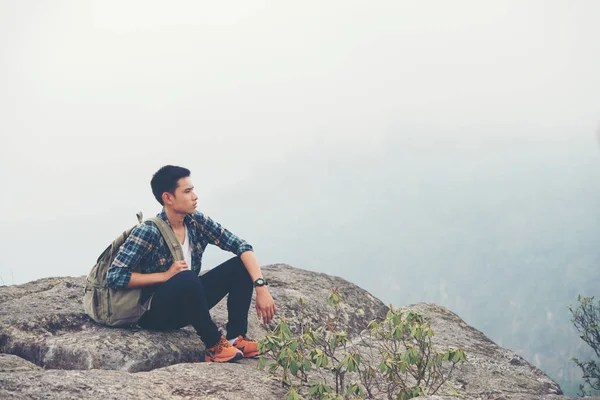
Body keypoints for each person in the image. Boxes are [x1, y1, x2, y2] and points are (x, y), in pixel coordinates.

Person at [107, 165, 276, 362]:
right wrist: (165, 276)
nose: (195, 196)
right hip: (155, 314)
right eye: (187, 191)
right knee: (186, 277)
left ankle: (236, 338)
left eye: (193, 189)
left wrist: (261, 287)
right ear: (168, 198)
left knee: (240, 266)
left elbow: (242, 246)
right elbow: (115, 276)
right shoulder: (149, 231)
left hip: (189, 304)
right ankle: (214, 345)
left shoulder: (196, 222)